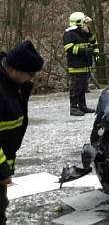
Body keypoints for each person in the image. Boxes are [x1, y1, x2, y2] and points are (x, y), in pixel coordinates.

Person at [0, 40, 44, 224]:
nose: (31, 78)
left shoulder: (11, 86)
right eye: (30, 74)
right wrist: (2, 171)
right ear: (16, 69)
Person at [63, 12, 100, 116]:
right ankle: (73, 108)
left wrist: (89, 34)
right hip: (76, 66)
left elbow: (93, 41)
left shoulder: (84, 32)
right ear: (78, 23)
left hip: (85, 65)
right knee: (75, 87)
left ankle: (82, 106)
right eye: (84, 22)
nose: (86, 24)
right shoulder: (69, 34)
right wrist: (83, 50)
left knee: (83, 87)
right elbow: (69, 48)